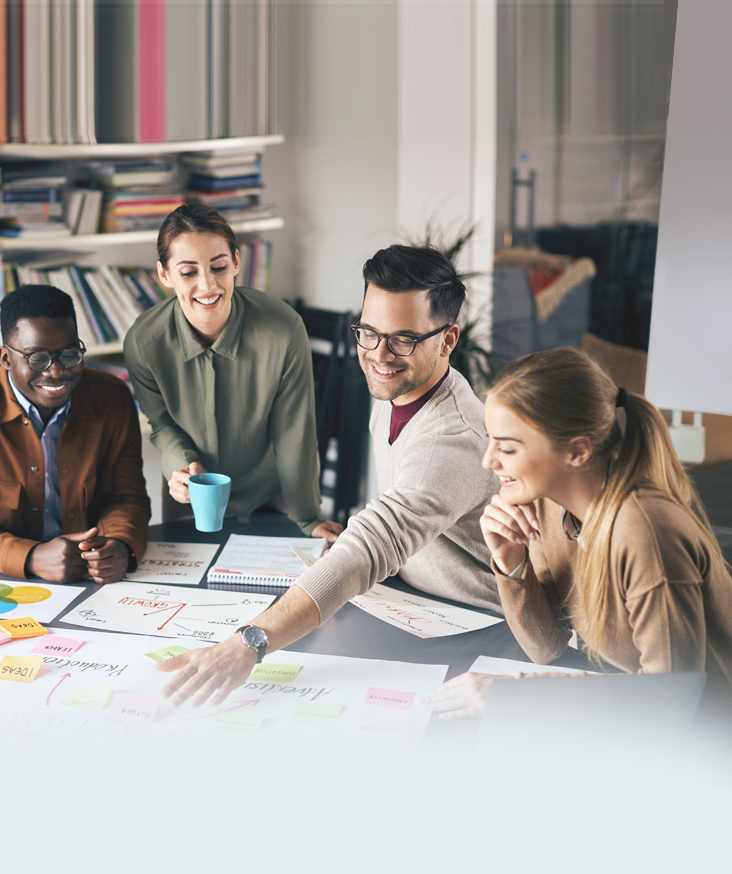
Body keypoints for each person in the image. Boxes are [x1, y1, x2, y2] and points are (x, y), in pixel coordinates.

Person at [153, 243, 498, 708]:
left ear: (448, 340)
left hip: (476, 632)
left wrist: (249, 642)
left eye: (403, 339)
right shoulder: (400, 390)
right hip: (412, 605)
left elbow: (374, 544)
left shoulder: (452, 437)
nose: (379, 355)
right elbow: (395, 520)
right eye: (369, 333)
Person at [425, 346, 732, 718]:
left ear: (577, 452)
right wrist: (511, 563)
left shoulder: (646, 532)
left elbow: (668, 701)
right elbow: (546, 648)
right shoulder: (546, 503)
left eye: (506, 448)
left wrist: (517, 697)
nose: (488, 461)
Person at [122, 203, 341, 542]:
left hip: (275, 491)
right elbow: (163, 424)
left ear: (237, 262)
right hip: (194, 495)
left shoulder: (283, 329)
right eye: (188, 272)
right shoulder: (143, 342)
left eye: (219, 267)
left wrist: (309, 518)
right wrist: (180, 468)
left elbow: (293, 430)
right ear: (164, 275)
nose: (208, 285)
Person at [0, 284, 150, 583]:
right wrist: (30, 557)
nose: (56, 372)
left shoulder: (113, 398)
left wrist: (119, 545)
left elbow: (127, 497)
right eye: (37, 358)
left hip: (88, 579)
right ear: (5, 358)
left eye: (69, 355)